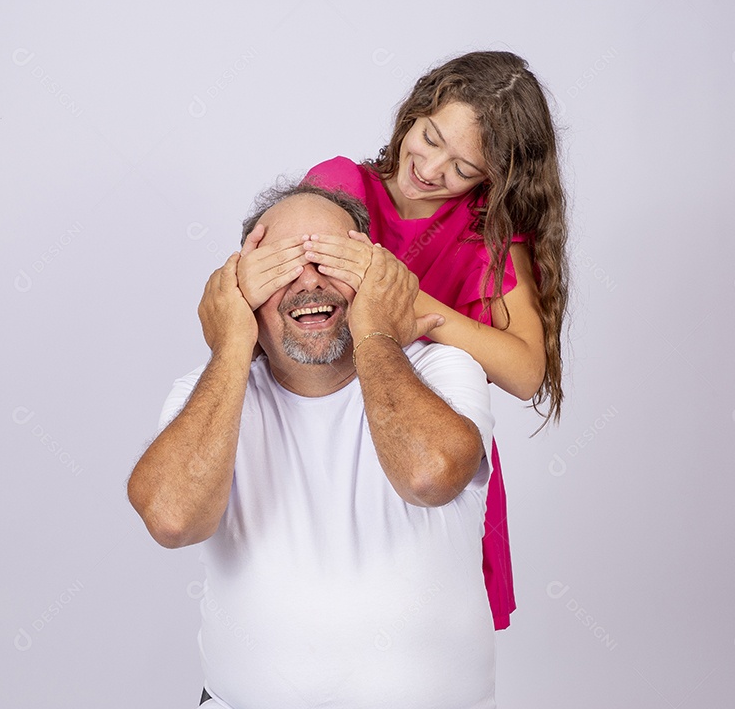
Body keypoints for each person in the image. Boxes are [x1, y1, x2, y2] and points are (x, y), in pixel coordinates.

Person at [129, 184, 499, 709]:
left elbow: (428, 474)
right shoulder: (210, 391)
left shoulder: (443, 370)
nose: (309, 282)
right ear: (241, 289)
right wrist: (233, 341)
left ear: (373, 276)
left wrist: (374, 328)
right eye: (279, 267)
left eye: (331, 260)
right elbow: (171, 517)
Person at [237, 51, 570, 631]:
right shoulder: (342, 184)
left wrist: (417, 308)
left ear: (494, 178)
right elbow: (297, 306)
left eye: (464, 167)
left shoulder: (483, 235)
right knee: (312, 610)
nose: (433, 168)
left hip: (426, 442)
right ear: (414, 113)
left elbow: (525, 371)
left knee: (419, 626)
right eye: (431, 136)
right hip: (332, 433)